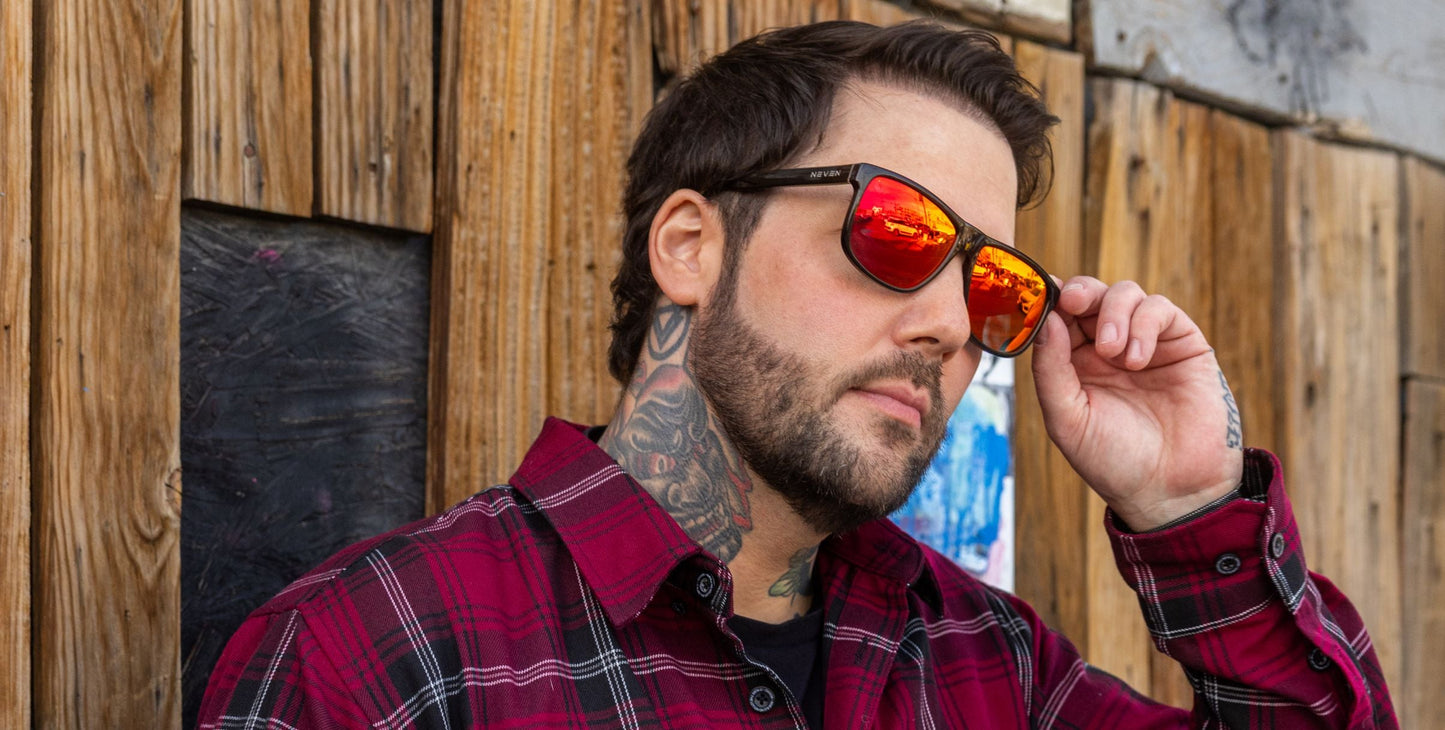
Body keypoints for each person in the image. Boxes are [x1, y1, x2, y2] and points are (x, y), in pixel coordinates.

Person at [198, 20, 1396, 729]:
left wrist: (1188, 504)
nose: (946, 326)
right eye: (897, 236)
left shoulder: (981, 663)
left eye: (991, 289)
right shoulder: (383, 658)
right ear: (690, 246)